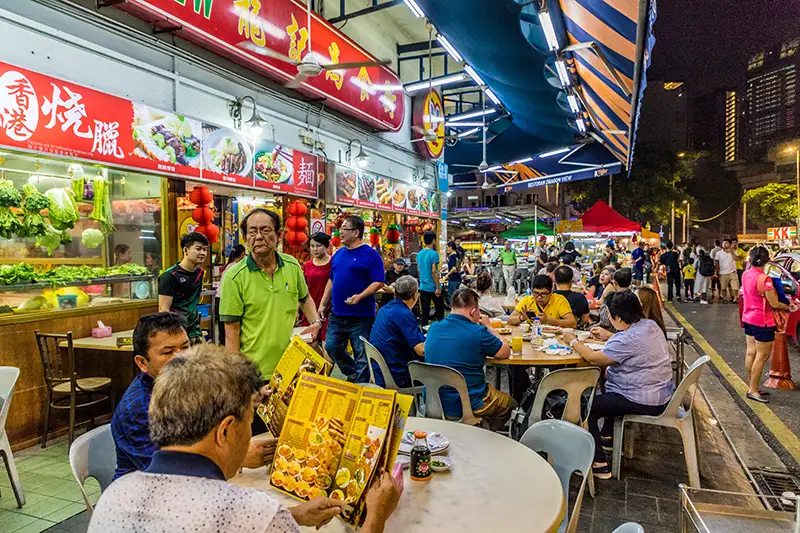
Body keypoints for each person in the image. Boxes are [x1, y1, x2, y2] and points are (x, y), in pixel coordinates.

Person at [90, 345, 401, 533]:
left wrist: (291, 517)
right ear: (226, 431)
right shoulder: (251, 513)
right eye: (250, 421)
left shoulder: (116, 494)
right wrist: (376, 517)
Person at [111, 313, 275, 480]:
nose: (181, 358)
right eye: (168, 352)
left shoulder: (186, 384)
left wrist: (242, 400)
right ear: (142, 363)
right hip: (147, 496)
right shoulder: (137, 408)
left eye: (185, 347)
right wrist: (239, 457)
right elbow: (166, 473)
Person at [563, 291, 674, 479]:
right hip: (661, 393)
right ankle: (607, 437)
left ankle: (600, 464)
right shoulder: (650, 325)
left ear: (618, 317)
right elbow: (633, 345)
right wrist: (609, 335)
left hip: (642, 399)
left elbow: (593, 358)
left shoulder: (627, 339)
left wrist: (571, 340)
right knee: (604, 392)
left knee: (586, 407)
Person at [221, 209, 322, 392]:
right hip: (256, 374)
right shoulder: (234, 277)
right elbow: (231, 334)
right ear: (245, 237)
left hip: (293, 367)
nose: (258, 237)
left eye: (265, 230)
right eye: (252, 232)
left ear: (279, 234)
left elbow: (305, 298)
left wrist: (315, 321)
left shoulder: (292, 266)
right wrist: (239, 380)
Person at [425, 289, 515, 430]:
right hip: (470, 401)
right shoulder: (478, 333)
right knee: (510, 405)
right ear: (474, 312)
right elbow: (505, 352)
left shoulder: (433, 328)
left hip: (433, 401)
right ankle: (485, 435)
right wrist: (490, 327)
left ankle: (474, 430)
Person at [320, 216, 385, 383]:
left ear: (356, 232)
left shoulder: (371, 255)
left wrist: (360, 296)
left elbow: (378, 281)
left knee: (361, 354)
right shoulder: (338, 254)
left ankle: (360, 388)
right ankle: (355, 374)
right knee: (331, 346)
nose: (340, 232)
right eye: (340, 229)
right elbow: (332, 280)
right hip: (337, 313)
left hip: (361, 316)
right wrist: (323, 303)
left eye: (345, 229)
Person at [741, 246, 793, 403]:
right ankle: (753, 390)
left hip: (748, 318)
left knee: (751, 352)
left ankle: (751, 385)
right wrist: (788, 306)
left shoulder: (745, 274)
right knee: (762, 356)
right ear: (767, 260)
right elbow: (775, 303)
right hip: (762, 321)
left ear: (750, 258)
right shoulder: (765, 279)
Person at [369, 276, 425, 388]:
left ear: (395, 293)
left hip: (380, 371)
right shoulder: (404, 314)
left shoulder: (385, 309)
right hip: (397, 374)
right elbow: (421, 350)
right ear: (415, 295)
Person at [159, 232, 208, 343]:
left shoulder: (200, 272)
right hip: (177, 332)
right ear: (185, 250)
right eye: (199, 249)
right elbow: (163, 309)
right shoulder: (170, 276)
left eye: (205, 250)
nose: (203, 253)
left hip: (195, 330)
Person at [508, 275, 577, 328]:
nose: (539, 297)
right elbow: (510, 320)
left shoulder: (559, 300)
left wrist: (548, 321)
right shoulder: (527, 300)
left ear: (551, 292)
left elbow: (572, 323)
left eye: (543, 294)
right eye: (536, 293)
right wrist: (521, 318)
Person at [298, 233, 332, 340]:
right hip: (309, 309)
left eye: (318, 246)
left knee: (327, 343)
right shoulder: (307, 265)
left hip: (328, 309)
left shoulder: (333, 263)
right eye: (312, 246)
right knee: (309, 343)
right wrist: (297, 310)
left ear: (327, 246)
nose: (315, 249)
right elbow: (302, 289)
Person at [216, 244, 247, 344]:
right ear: (242, 254)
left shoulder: (229, 265)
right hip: (227, 299)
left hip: (219, 299)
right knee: (230, 331)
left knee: (223, 331)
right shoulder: (236, 267)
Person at [416, 231, 443, 327]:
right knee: (439, 312)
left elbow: (418, 270)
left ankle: (423, 332)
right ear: (433, 241)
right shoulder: (434, 254)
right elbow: (434, 271)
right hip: (433, 287)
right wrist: (438, 287)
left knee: (425, 313)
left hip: (423, 286)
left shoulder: (419, 254)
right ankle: (441, 333)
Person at [596, 268, 633, 335]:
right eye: (602, 273)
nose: (602, 276)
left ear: (614, 282)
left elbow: (605, 322)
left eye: (606, 274)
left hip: (612, 332)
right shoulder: (633, 296)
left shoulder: (612, 297)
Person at [717, 238, 740, 304]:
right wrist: (717, 272)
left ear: (730, 244)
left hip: (733, 272)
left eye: (726, 243)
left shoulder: (734, 251)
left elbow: (737, 259)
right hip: (723, 273)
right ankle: (724, 298)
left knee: (735, 287)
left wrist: (731, 252)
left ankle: (735, 298)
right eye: (723, 243)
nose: (724, 244)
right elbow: (716, 263)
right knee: (723, 287)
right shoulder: (719, 253)